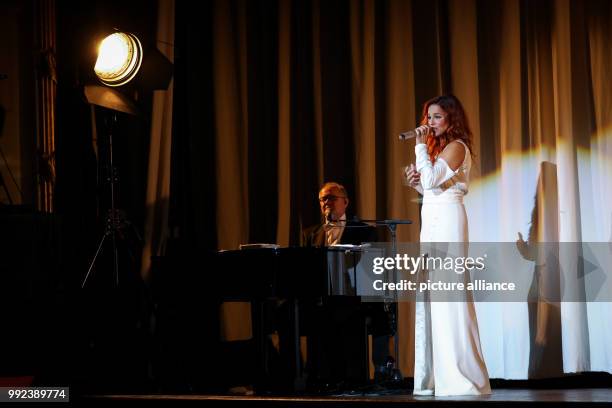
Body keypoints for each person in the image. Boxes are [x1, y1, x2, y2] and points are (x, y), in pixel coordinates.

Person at [404, 94, 491, 396]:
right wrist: (415, 179)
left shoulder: (456, 147)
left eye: (437, 117)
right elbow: (430, 187)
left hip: (449, 222)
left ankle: (464, 378)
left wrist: (418, 148)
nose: (430, 123)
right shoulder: (440, 149)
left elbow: (433, 183)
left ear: (452, 118)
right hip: (434, 218)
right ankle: (437, 378)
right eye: (428, 117)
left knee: (450, 296)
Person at [302, 181, 376, 247]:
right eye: (324, 199)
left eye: (332, 198)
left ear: (345, 202)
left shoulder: (366, 231)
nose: (327, 202)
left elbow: (369, 260)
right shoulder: (309, 234)